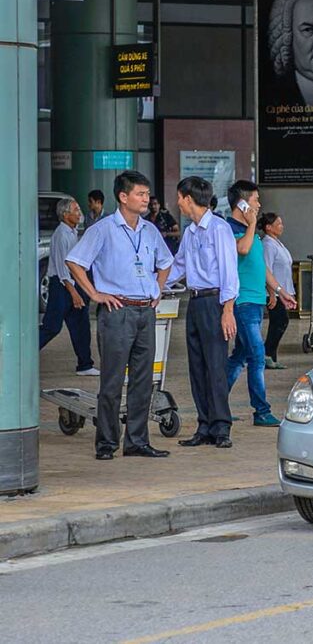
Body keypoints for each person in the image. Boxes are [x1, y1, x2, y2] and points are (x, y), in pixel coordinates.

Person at [66, 171, 173, 460]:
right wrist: (95, 294)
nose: (146, 199)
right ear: (123, 197)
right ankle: (107, 443)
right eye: (140, 194)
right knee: (112, 381)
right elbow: (75, 262)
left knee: (143, 379)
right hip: (116, 312)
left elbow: (166, 262)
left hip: (144, 311)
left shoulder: (150, 230)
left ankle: (137, 441)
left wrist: (158, 289)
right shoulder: (102, 229)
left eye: (147, 194)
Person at [169, 176, 240, 449]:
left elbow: (229, 271)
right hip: (195, 302)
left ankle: (222, 427)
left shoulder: (218, 229)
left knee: (216, 366)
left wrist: (228, 310)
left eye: (179, 198)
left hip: (215, 303)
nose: (178, 203)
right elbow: (179, 267)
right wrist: (151, 286)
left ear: (189, 199)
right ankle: (204, 426)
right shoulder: (190, 232)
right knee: (197, 366)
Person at [223, 180, 297, 427]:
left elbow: (261, 268)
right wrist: (253, 223)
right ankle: (261, 410)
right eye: (254, 200)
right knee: (256, 354)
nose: (259, 205)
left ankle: (217, 403)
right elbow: (241, 250)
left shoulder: (250, 232)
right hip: (242, 303)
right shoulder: (229, 229)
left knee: (239, 357)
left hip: (256, 302)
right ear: (242, 203)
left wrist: (279, 291)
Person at [39, 197, 98, 376]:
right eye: (76, 210)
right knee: (52, 326)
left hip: (73, 283)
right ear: (65, 215)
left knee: (80, 325)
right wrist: (74, 293)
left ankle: (85, 364)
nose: (79, 213)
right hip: (62, 286)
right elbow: (63, 268)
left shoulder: (73, 232)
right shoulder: (60, 235)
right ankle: (25, 354)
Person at [261, 212, 295, 370]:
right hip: (274, 292)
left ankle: (271, 356)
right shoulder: (267, 244)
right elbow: (266, 269)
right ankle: (267, 354)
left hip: (283, 290)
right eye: (278, 223)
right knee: (280, 321)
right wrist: (272, 294)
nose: (282, 226)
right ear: (268, 227)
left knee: (278, 322)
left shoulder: (277, 243)